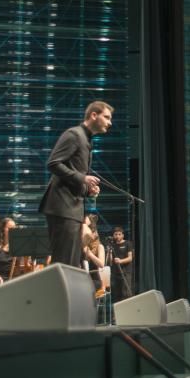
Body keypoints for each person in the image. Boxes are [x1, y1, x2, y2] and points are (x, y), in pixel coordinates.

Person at [39, 101, 112, 267]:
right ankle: (58, 293)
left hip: (72, 208)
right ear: (94, 115)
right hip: (62, 207)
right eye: (106, 117)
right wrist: (82, 178)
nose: (110, 122)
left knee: (71, 262)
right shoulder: (74, 134)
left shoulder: (86, 140)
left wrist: (88, 189)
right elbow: (53, 163)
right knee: (64, 262)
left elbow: (73, 176)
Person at [81, 214, 106, 295]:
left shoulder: (99, 247)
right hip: (81, 280)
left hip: (94, 280)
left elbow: (101, 264)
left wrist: (90, 254)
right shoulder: (83, 245)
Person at [109, 226, 134, 300]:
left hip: (126, 272)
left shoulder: (128, 243)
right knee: (116, 294)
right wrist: (109, 253)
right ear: (113, 235)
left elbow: (130, 258)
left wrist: (121, 261)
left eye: (119, 234)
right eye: (116, 234)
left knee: (125, 293)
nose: (117, 236)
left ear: (123, 235)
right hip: (115, 273)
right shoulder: (112, 245)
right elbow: (110, 262)